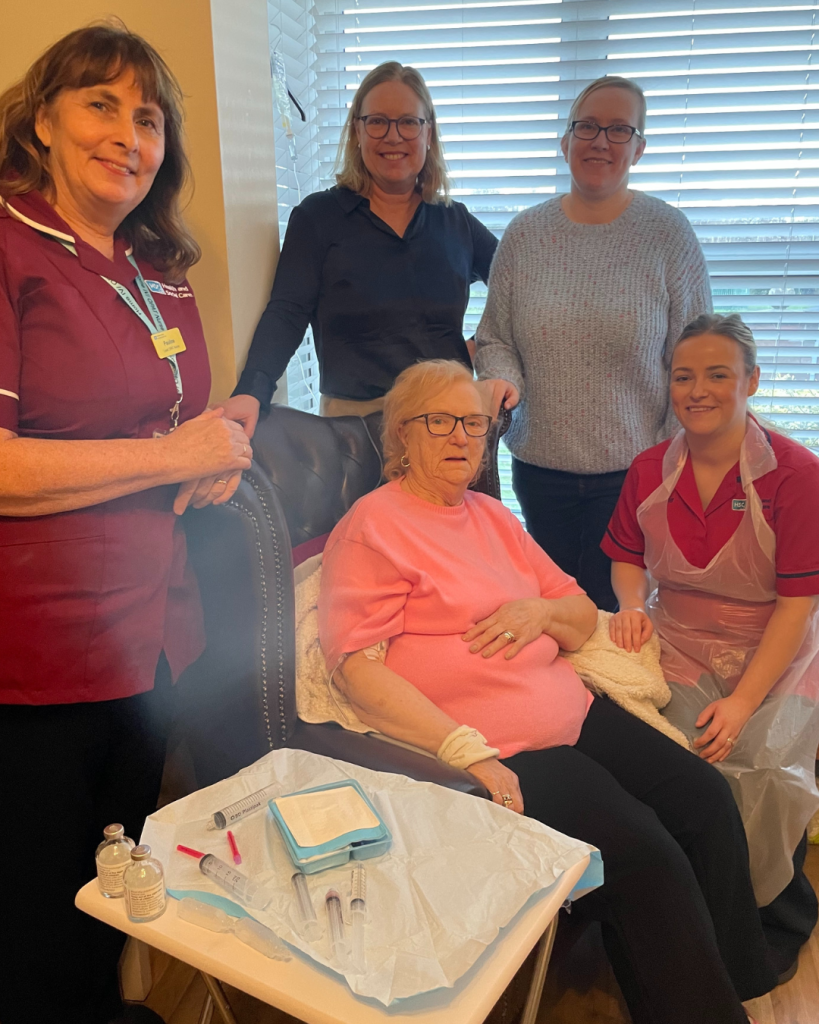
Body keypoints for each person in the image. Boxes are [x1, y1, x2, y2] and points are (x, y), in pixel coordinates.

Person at [318, 358, 776, 1024]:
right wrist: (461, 747)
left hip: (575, 710)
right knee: (643, 852)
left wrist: (535, 613)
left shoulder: (490, 517)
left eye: (473, 424)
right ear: (401, 437)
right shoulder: (373, 526)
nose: (459, 439)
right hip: (507, 745)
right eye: (438, 422)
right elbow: (354, 666)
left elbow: (577, 610)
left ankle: (726, 987)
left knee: (705, 799)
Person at [0, 25, 253, 1024]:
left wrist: (219, 455)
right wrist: (171, 457)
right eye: (99, 104)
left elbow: (181, 426)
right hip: (43, 645)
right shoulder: (14, 249)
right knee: (35, 907)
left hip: (153, 634)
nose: (128, 134)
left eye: (147, 117)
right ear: (43, 121)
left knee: (114, 880)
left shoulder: (159, 269)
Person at [604, 312, 819, 982]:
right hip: (680, 643)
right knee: (677, 766)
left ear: (749, 381)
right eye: (683, 376)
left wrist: (744, 702)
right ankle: (689, 913)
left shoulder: (796, 475)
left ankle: (763, 924)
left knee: (763, 771)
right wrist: (632, 607)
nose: (697, 390)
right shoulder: (647, 470)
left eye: (717, 374)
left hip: (777, 650)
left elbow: (794, 607)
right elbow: (625, 558)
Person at [475, 75, 712, 611]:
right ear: (565, 141)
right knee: (551, 615)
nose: (600, 141)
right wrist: (504, 379)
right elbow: (495, 339)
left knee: (616, 622)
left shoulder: (669, 235)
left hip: (633, 477)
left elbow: (696, 363)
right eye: (586, 126)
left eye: (618, 129)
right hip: (540, 471)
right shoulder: (524, 236)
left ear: (639, 148)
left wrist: (672, 464)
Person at [222, 60, 497, 435]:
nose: (394, 136)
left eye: (408, 122)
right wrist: (252, 391)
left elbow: (518, 289)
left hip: (447, 422)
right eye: (378, 121)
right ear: (357, 131)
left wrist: (481, 344)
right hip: (353, 429)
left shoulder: (456, 221)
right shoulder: (318, 217)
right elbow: (287, 313)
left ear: (428, 133)